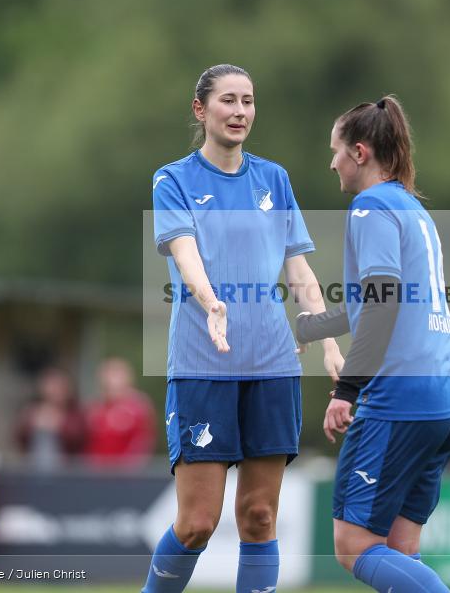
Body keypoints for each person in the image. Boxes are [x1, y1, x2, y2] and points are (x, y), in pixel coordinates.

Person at [143, 63, 343, 593]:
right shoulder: (173, 179)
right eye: (228, 101)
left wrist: (327, 341)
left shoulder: (273, 179)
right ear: (200, 109)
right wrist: (212, 303)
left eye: (248, 101)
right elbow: (185, 255)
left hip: (273, 365)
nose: (239, 112)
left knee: (259, 516)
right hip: (203, 364)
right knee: (197, 524)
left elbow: (298, 270)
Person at [294, 95, 450, 592]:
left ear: (361, 152)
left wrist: (348, 389)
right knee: (398, 550)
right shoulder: (412, 208)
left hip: (401, 401)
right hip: (444, 398)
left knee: (353, 546)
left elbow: (383, 301)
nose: (332, 162)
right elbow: (373, 301)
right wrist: (309, 328)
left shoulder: (369, 207)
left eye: (337, 151)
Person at [85, 358, 156, 468]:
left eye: (116, 374)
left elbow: (143, 441)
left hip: (126, 474)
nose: (111, 380)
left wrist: (130, 466)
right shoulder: (95, 407)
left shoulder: (138, 406)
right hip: (98, 473)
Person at [16, 366, 88, 470]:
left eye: (59, 386)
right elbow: (19, 438)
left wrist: (60, 424)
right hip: (35, 470)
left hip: (67, 472)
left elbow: (79, 438)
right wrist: (31, 423)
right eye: (51, 386)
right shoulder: (33, 411)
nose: (55, 390)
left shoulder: (74, 413)